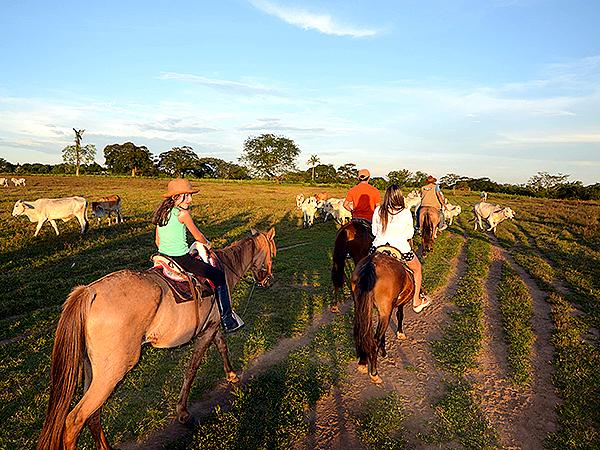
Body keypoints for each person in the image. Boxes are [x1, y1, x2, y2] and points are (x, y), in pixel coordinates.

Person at [152, 178, 244, 333]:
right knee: (219, 276)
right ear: (176, 196)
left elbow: (157, 240)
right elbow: (198, 236)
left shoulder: (162, 213)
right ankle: (228, 320)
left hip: (163, 255)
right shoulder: (183, 214)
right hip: (181, 258)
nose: (190, 199)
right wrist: (207, 244)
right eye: (187, 195)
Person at [372, 184, 430, 313]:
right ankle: (416, 302)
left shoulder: (378, 210)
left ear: (386, 196)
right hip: (400, 248)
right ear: (400, 196)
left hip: (378, 246)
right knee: (417, 269)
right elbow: (409, 233)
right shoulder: (405, 211)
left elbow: (374, 231)